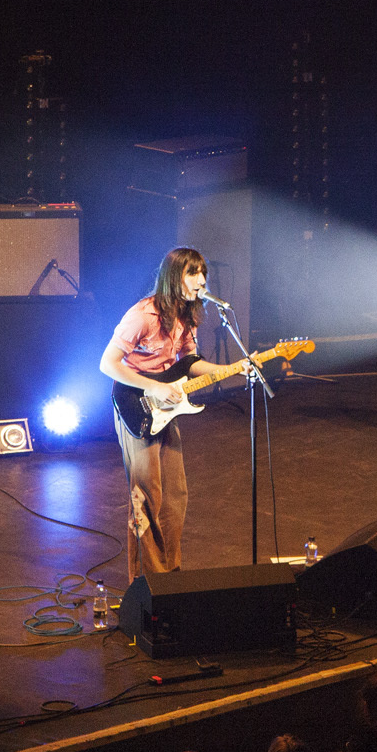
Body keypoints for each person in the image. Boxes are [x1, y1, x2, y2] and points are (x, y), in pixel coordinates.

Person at [99, 247, 249, 579]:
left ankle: (171, 572)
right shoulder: (143, 314)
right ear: (173, 277)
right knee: (147, 493)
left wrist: (235, 369)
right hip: (134, 406)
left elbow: (188, 363)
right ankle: (147, 580)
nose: (201, 280)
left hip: (166, 409)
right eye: (192, 273)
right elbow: (107, 363)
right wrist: (152, 387)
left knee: (175, 494)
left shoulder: (187, 314)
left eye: (203, 273)